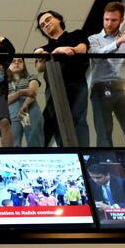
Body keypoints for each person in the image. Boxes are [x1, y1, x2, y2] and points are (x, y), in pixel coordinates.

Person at [87, 2, 125, 147]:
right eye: (106, 19)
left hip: (122, 88)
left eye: (113, 20)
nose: (109, 23)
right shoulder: (93, 39)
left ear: (121, 20)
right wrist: (119, 42)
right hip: (100, 88)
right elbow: (98, 54)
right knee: (104, 132)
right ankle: (107, 164)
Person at [34, 10, 89, 146]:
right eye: (42, 25)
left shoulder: (76, 34)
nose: (46, 25)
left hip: (76, 83)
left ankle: (82, 153)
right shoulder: (43, 48)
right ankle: (66, 151)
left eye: (48, 20)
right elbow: (39, 67)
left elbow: (82, 49)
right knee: (58, 121)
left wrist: (69, 50)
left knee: (79, 119)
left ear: (58, 19)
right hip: (54, 88)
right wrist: (58, 51)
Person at [7, 57, 44, 147]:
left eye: (20, 61)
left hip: (29, 108)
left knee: (34, 138)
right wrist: (22, 92)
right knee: (13, 142)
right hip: (12, 112)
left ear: (24, 65)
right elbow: (5, 100)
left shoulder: (30, 76)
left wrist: (25, 105)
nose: (17, 63)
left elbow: (33, 91)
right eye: (13, 61)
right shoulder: (5, 82)